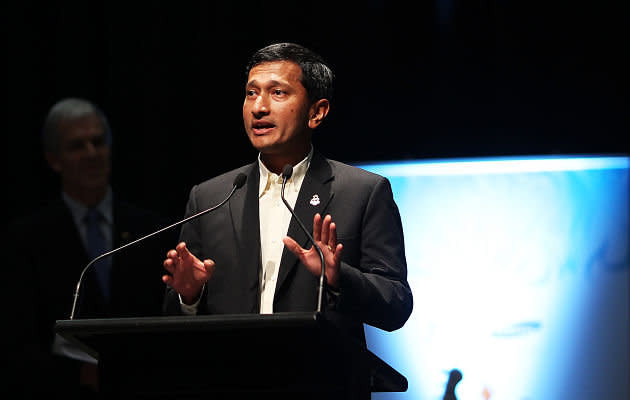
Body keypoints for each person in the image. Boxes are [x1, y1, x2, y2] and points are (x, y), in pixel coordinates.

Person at [162, 43, 412, 340]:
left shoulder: (362, 192)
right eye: (251, 93)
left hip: (318, 380)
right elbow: (172, 317)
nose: (259, 107)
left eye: (277, 92)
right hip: (230, 380)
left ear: (316, 112)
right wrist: (189, 297)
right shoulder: (210, 197)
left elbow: (396, 303)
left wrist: (338, 276)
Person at [8, 98, 173, 399]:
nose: (91, 154)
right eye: (77, 146)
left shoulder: (152, 229)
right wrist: (79, 375)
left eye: (98, 142)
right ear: (53, 159)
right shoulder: (27, 239)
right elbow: (19, 339)